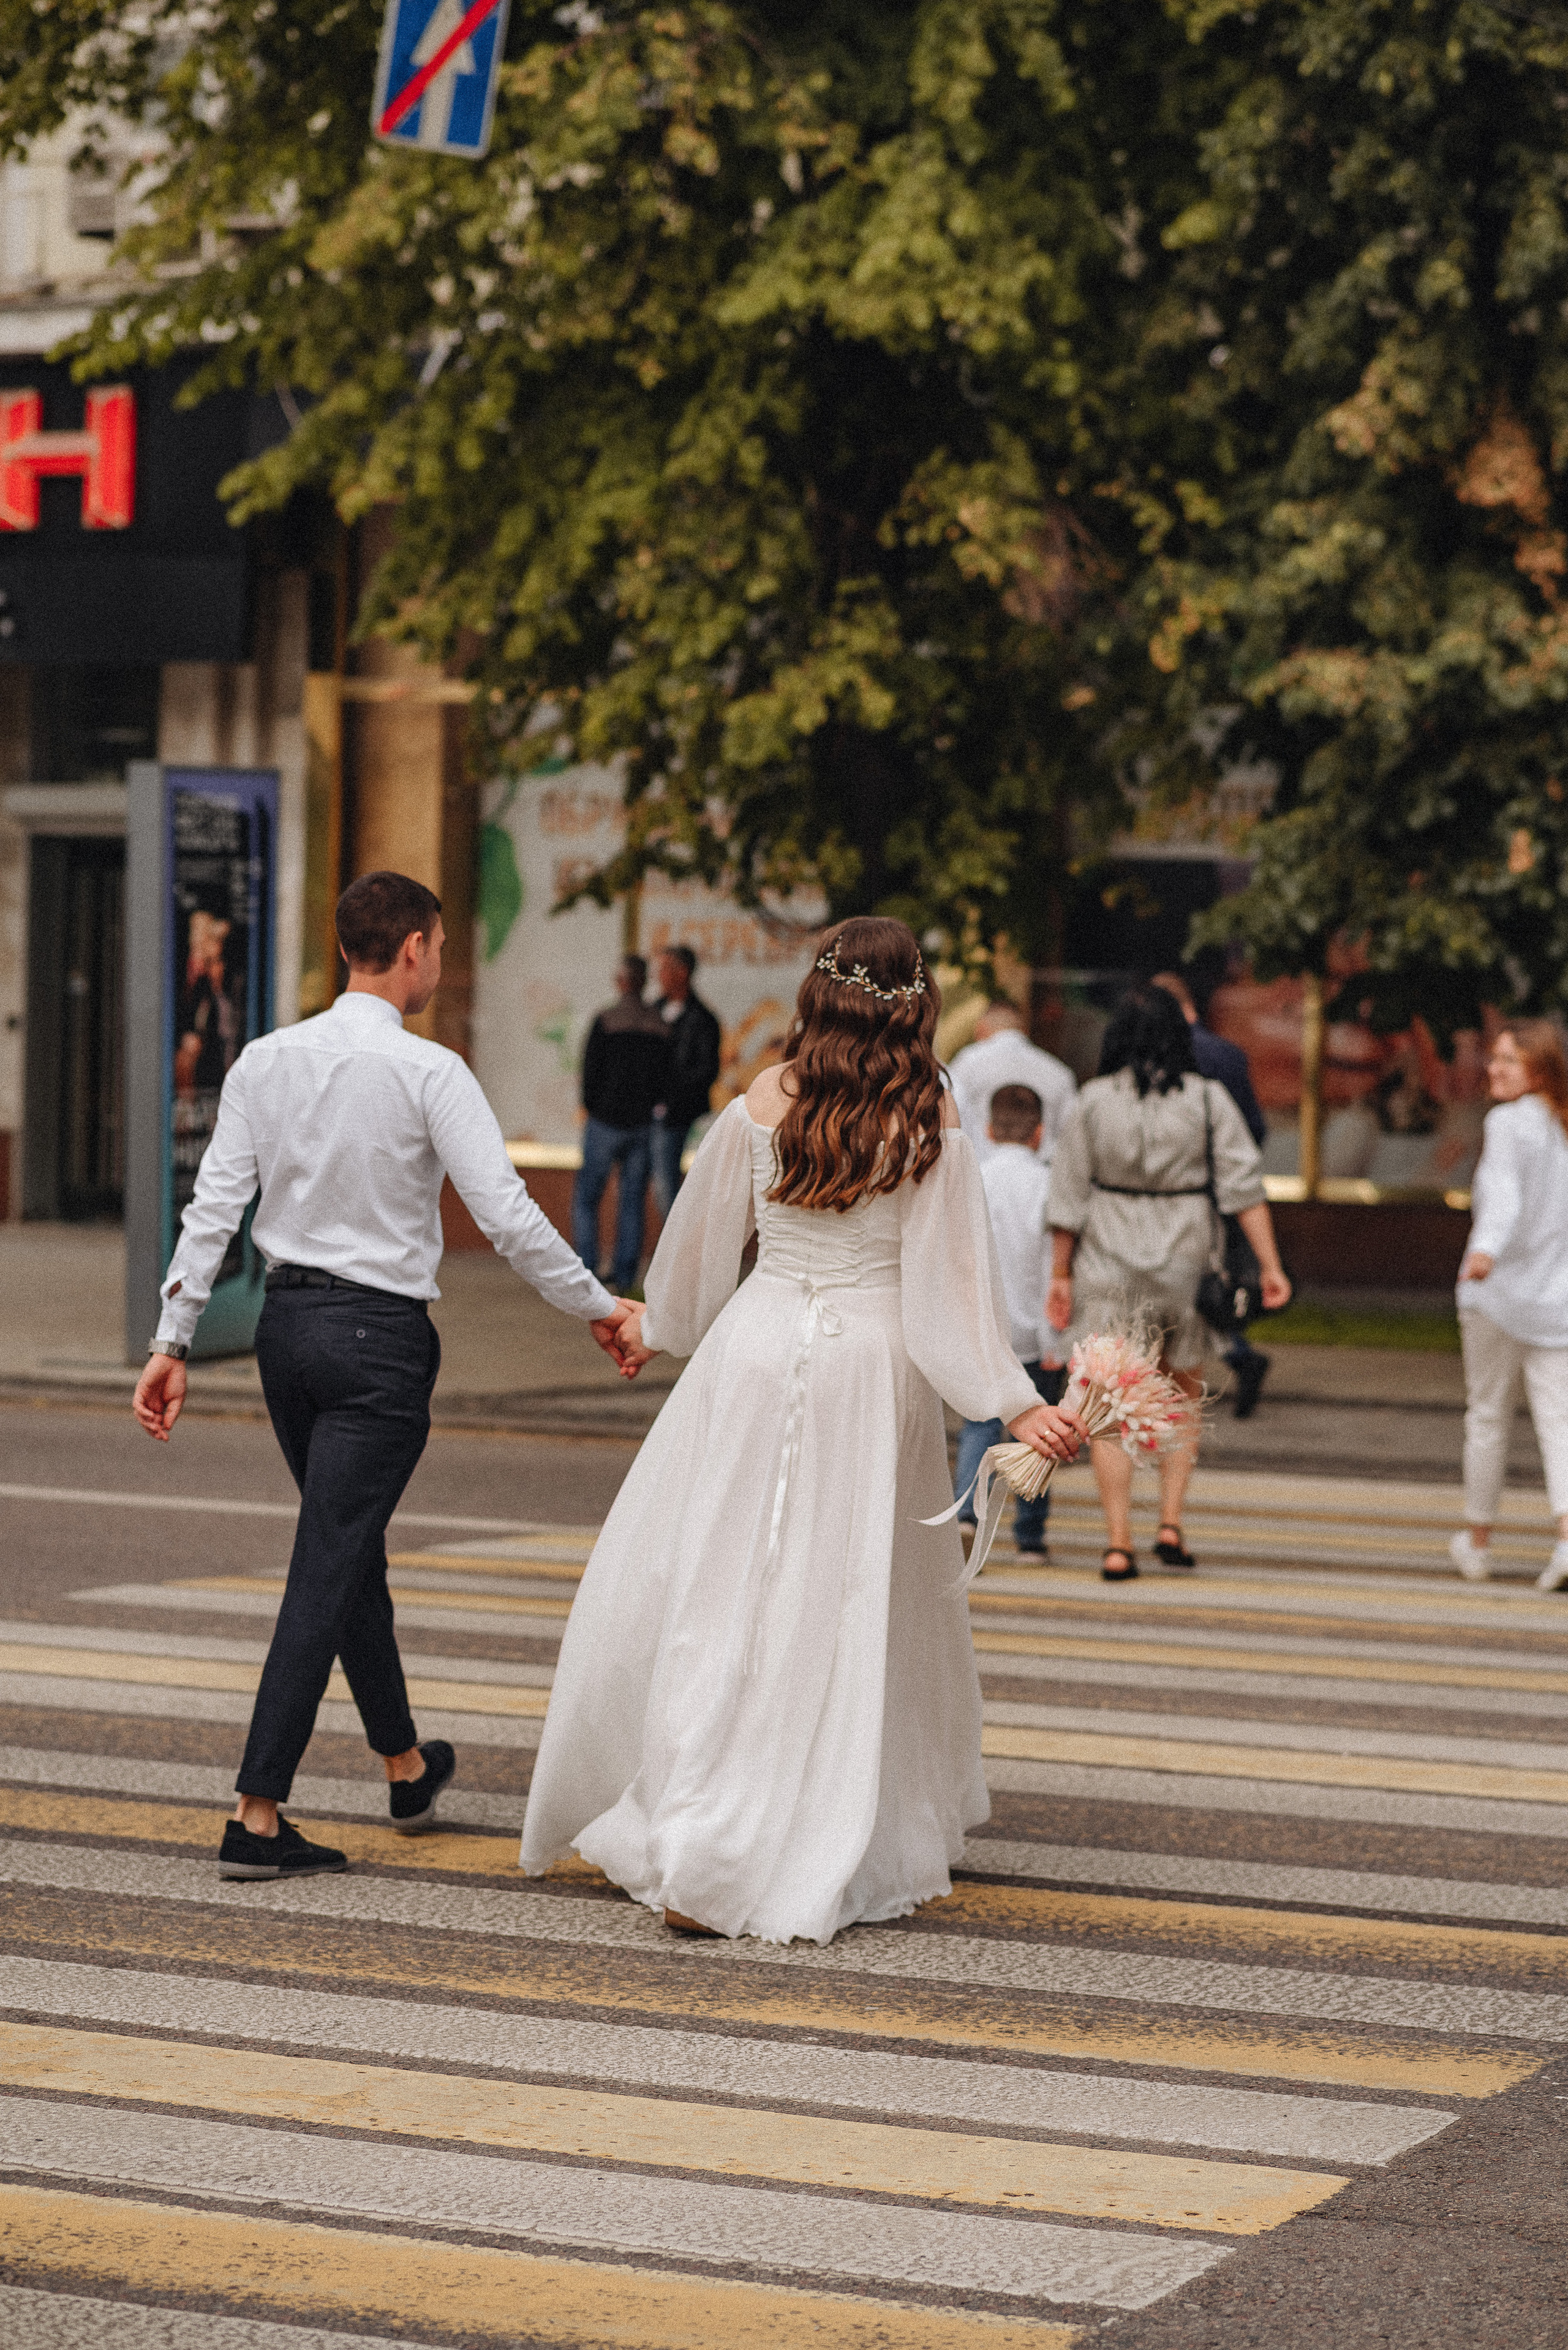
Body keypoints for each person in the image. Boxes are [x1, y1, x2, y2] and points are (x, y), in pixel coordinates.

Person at [520, 916, 1088, 1943]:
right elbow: (951, 1299)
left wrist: (654, 1325)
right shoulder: (930, 1109)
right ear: (914, 1000)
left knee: (723, 1584)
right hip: (869, 1372)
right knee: (839, 1597)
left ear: (818, 990)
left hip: (753, 1348)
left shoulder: (762, 1097)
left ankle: (698, 1823)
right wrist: (1017, 1399)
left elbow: (694, 1256)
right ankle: (793, 1823)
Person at [132, 870, 634, 1883]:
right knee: (328, 1561)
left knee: (345, 1545)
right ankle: (256, 1810)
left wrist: (172, 1337)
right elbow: (504, 1211)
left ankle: (405, 1764)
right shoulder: (429, 1070)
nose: (441, 962)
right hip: (379, 1345)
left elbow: (214, 1206)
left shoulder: (265, 1061)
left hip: (288, 1333)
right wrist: (600, 1305)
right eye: (441, 946)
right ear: (409, 948)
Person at [1047, 982, 1291, 1581]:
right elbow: (1243, 1190)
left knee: (1108, 1403)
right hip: (1185, 1260)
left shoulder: (1091, 1101)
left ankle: (1117, 1542)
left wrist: (1058, 1273)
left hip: (1106, 1262)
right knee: (1182, 1391)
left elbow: (1068, 1196)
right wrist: (1270, 1266)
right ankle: (1171, 1523)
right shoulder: (1207, 1100)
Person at [1450, 1020, 1568, 1591]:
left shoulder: (1506, 1122)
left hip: (1496, 1298)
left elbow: (1503, 1196)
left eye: (1508, 1060)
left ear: (1541, 1069)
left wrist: (1487, 1251)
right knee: (1560, 1423)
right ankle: (1567, 1542)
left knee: (1489, 1417)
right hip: (1557, 1302)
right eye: (1494, 1057)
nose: (1493, 1068)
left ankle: (1477, 1545)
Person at [953, 1083, 1068, 1559]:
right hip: (1033, 1330)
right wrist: (1053, 1339)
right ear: (1040, 1133)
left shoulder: (974, 1177)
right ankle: (1030, 1535)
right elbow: (1050, 1266)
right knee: (1040, 1432)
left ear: (987, 1129)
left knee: (980, 1426)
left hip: (984, 1329)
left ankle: (965, 1515)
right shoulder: (1047, 1185)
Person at [1152, 971, 1273, 1419]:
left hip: (1161, 1200)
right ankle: (1237, 1354)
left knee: (1177, 1292)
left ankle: (1222, 1361)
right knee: (1207, 1283)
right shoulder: (1227, 1055)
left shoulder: (1147, 1058)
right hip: (1216, 1195)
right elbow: (1253, 1130)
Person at [572, 954, 671, 1291]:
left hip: (604, 1123)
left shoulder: (605, 1020)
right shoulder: (660, 1024)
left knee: (587, 1198)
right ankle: (625, 1276)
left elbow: (589, 1072)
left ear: (622, 981)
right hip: (642, 1125)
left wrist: (593, 1107)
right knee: (632, 1203)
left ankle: (587, 1271)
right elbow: (665, 1078)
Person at [948, 1000, 1076, 1170]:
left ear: (980, 1029)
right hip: (1043, 1178)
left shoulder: (967, 1063)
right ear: (1024, 1031)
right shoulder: (1060, 1072)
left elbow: (950, 1124)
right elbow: (1071, 1137)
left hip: (979, 1174)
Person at [650, 943, 723, 1216]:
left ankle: (678, 1253)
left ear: (683, 973)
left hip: (676, 1117)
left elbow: (706, 1071)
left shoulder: (702, 1020)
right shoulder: (654, 1010)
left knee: (667, 1188)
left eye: (666, 969)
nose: (660, 975)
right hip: (644, 1115)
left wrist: (670, 1100)